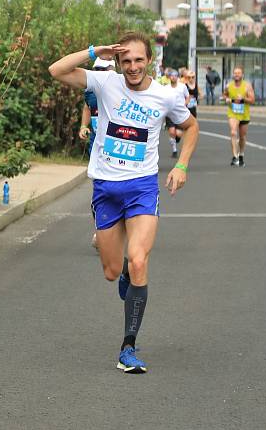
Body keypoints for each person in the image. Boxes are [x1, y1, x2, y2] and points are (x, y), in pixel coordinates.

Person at [48, 33, 199, 374]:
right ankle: (125, 275)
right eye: (126, 61)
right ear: (118, 62)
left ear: (150, 62)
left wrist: (182, 165)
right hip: (106, 189)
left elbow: (190, 127)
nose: (132, 67)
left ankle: (128, 347)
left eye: (139, 60)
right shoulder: (105, 83)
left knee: (139, 259)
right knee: (112, 271)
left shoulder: (165, 95)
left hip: (143, 188)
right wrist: (92, 52)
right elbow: (56, 70)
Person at [79, 57, 116, 155]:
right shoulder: (90, 90)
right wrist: (83, 126)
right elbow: (87, 107)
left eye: (103, 69)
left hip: (115, 143)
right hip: (95, 141)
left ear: (113, 70)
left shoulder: (121, 89)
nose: (100, 72)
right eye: (97, 69)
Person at [223, 66, 254, 167]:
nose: (236, 75)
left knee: (242, 137)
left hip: (244, 114)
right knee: (233, 132)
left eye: (238, 73)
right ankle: (234, 156)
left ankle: (241, 154)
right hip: (233, 113)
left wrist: (243, 99)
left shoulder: (247, 86)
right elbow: (224, 95)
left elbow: (252, 100)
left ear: (242, 75)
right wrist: (226, 99)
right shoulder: (229, 86)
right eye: (235, 73)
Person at [166, 69, 190, 158]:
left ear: (177, 77)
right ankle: (174, 150)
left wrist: (185, 104)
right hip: (170, 113)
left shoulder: (182, 87)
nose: (173, 77)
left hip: (180, 113)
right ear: (169, 77)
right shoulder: (166, 88)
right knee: (172, 132)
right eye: (171, 76)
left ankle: (174, 141)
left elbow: (187, 97)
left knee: (178, 134)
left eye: (175, 76)